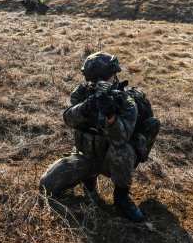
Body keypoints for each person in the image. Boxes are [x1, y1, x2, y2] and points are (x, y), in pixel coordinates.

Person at [40, 52, 159, 222]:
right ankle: (89, 180)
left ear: (115, 75)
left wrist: (111, 116)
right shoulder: (82, 94)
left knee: (123, 150)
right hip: (86, 155)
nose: (99, 83)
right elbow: (68, 119)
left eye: (105, 77)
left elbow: (120, 139)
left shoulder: (126, 102)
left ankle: (121, 197)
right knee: (47, 186)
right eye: (95, 79)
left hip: (112, 160)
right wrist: (86, 107)